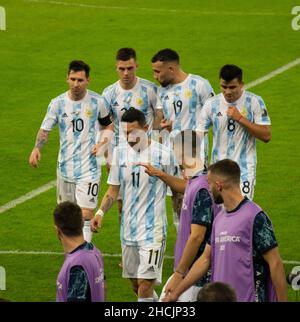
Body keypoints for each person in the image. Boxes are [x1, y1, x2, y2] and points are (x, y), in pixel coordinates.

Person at [164, 159, 288, 302]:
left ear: (218, 185)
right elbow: (205, 259)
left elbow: (275, 263)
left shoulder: (254, 217)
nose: (208, 189)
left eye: (209, 183)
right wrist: (176, 291)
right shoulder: (219, 219)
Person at [91, 107, 178, 302]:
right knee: (136, 284)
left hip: (153, 231)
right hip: (128, 230)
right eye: (125, 133)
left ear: (146, 128)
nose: (129, 138)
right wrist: (100, 213)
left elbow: (178, 190)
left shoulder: (164, 155)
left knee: (146, 285)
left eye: (133, 132)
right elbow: (113, 190)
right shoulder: (120, 155)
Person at [29, 60, 112, 242]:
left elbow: (108, 126)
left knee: (86, 213)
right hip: (65, 168)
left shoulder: (98, 102)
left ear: (88, 80)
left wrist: (103, 143)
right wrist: (37, 148)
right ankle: (72, 254)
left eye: (80, 80)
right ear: (67, 78)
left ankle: (85, 253)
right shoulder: (57, 103)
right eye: (73, 79)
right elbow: (45, 130)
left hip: (89, 167)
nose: (76, 84)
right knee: (65, 216)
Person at [143, 130, 220, 302]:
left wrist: (179, 274)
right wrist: (160, 174)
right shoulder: (197, 181)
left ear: (179, 151)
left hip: (195, 279)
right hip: (188, 274)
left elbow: (197, 236)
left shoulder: (201, 189)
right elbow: (185, 186)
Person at [93, 48, 158, 237]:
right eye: (121, 69)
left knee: (148, 198)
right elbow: (105, 126)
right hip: (121, 154)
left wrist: (156, 145)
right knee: (121, 202)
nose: (126, 73)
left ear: (136, 65)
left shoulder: (149, 89)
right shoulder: (109, 93)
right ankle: (126, 243)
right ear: (116, 68)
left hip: (147, 152)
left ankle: (149, 237)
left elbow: (158, 117)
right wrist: (107, 156)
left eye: (130, 68)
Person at [151, 48, 215, 229]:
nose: (155, 76)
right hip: (172, 156)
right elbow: (161, 121)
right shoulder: (162, 92)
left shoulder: (199, 85)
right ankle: (184, 247)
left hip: (195, 156)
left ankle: (202, 248)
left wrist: (185, 132)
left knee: (198, 201)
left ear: (171, 69)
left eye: (158, 71)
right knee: (178, 204)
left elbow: (214, 116)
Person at [198, 64, 271, 199]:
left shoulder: (254, 102)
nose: (227, 92)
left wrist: (240, 118)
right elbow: (197, 135)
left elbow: (266, 135)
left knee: (240, 213)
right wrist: (194, 168)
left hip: (243, 172)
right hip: (217, 171)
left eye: (232, 87)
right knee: (217, 215)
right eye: (223, 87)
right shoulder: (211, 104)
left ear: (241, 84)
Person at [54, 201, 105, 302]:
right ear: (82, 224)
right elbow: (105, 288)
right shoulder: (95, 251)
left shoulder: (77, 265)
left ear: (58, 230)